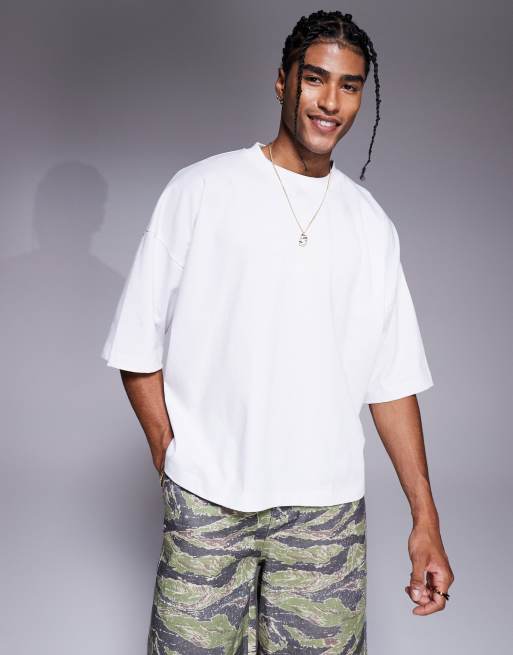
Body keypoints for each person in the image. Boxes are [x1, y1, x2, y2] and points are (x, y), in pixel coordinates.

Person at [101, 9, 454, 654]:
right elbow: (135, 344)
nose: (330, 102)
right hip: (208, 505)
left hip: (326, 518)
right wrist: (172, 456)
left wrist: (424, 520)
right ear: (282, 81)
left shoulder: (370, 225)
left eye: (349, 86)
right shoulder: (202, 190)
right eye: (315, 79)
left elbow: (392, 381)